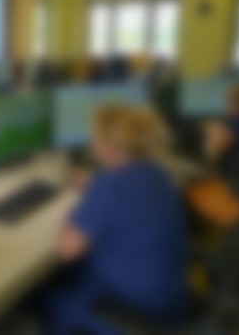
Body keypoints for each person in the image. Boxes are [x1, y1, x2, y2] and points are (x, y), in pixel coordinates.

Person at [39, 104, 189, 335]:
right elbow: (128, 193)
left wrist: (69, 216)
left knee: (39, 298)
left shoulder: (109, 187)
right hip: (171, 302)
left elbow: (66, 251)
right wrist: (94, 184)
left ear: (109, 145)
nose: (91, 144)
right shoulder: (157, 171)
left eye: (94, 138)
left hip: (131, 309)